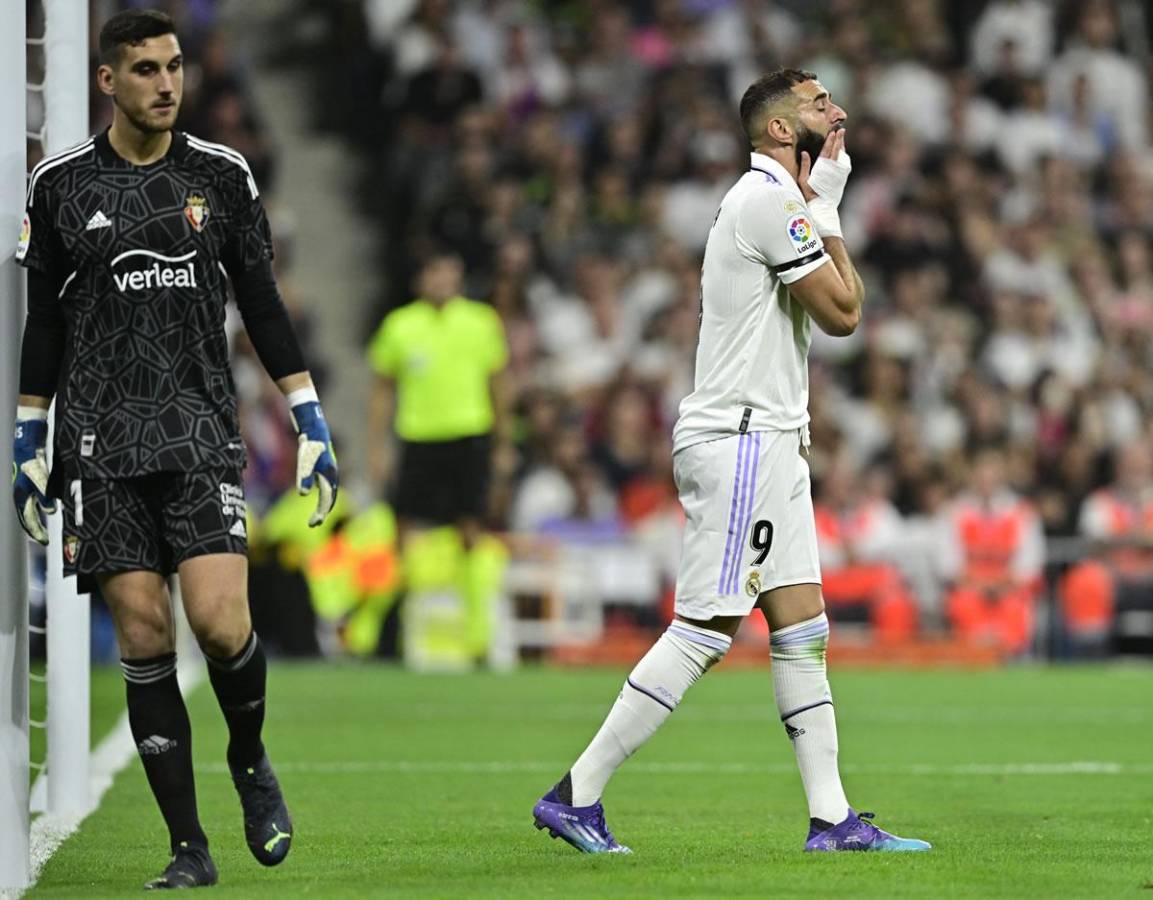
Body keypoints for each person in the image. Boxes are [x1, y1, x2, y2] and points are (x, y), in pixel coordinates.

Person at [532, 68, 930, 854]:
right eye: (819, 104)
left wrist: (823, 209)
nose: (837, 111)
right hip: (742, 441)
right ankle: (576, 792)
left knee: (803, 628)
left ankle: (831, 819)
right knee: (706, 630)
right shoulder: (768, 202)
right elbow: (846, 312)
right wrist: (828, 208)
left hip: (773, 441)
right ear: (780, 130)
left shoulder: (776, 203)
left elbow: (837, 306)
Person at [11, 10, 338, 889]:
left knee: (222, 620)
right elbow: (43, 321)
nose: (167, 82)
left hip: (197, 428)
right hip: (99, 441)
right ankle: (188, 847)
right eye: (147, 69)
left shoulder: (220, 175)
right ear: (108, 81)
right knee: (146, 632)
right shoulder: (61, 185)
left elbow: (263, 303)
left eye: (175, 66)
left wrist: (307, 415)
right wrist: (28, 430)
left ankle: (249, 759)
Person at [367, 252, 509, 659]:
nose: (443, 279)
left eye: (450, 271)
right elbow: (381, 390)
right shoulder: (400, 326)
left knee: (470, 531)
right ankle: (393, 630)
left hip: (469, 435)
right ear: (421, 279)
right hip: (418, 437)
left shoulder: (481, 322)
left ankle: (478, 634)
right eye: (435, 271)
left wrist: (501, 445)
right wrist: (377, 447)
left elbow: (500, 384)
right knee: (403, 535)